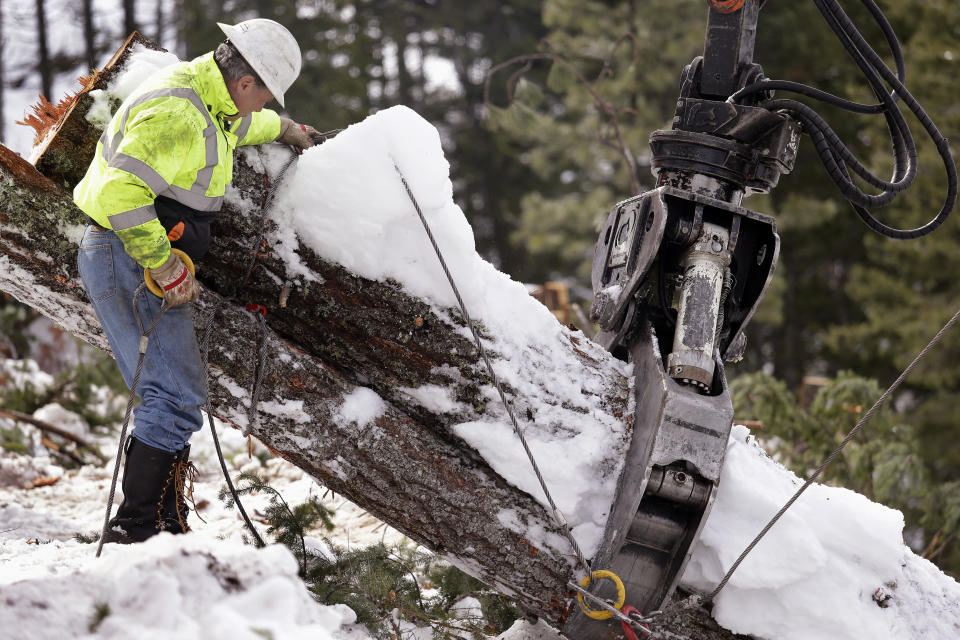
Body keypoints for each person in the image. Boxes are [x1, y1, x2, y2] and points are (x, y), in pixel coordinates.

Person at [73, 19, 317, 544]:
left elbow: (235, 128)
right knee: (174, 392)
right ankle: (137, 527)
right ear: (246, 81)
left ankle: (160, 522)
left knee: (174, 390)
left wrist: (285, 128)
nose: (264, 103)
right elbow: (120, 192)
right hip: (128, 256)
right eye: (267, 94)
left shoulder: (210, 99)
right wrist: (161, 264)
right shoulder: (179, 111)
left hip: (136, 256)